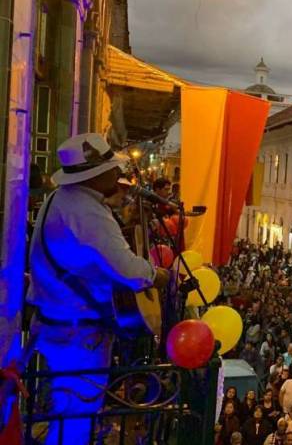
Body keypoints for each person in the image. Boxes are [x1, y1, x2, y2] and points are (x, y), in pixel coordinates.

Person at [27, 133, 171, 445]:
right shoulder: (85, 211)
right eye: (112, 169)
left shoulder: (65, 199)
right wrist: (155, 274)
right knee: (75, 418)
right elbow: (127, 269)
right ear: (97, 175)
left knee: (65, 414)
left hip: (60, 326)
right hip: (76, 334)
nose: (118, 175)